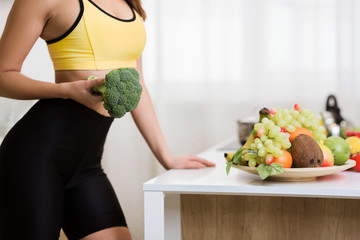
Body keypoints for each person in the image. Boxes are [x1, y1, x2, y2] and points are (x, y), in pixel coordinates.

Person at [0, 0, 215, 239]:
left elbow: (137, 83)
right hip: (34, 159)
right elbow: (3, 75)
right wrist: (67, 90)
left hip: (87, 164)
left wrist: (166, 156)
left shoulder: (128, 3)